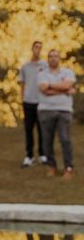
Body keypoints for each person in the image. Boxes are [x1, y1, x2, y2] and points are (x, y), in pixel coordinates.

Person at [37, 49, 76, 179]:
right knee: (47, 140)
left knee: (65, 139)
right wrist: (64, 90)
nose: (53, 59)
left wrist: (51, 86)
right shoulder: (42, 74)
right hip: (46, 110)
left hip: (64, 110)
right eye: (51, 56)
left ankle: (68, 167)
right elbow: (44, 89)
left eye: (56, 56)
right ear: (48, 59)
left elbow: (67, 85)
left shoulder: (68, 72)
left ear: (59, 59)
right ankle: (51, 166)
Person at [19, 41, 48, 167]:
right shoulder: (25, 67)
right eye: (36, 47)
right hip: (28, 102)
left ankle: (42, 154)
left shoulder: (45, 65)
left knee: (42, 129)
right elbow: (22, 84)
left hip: (41, 101)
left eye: (40, 48)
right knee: (28, 129)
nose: (38, 50)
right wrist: (22, 99)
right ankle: (29, 156)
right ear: (32, 48)